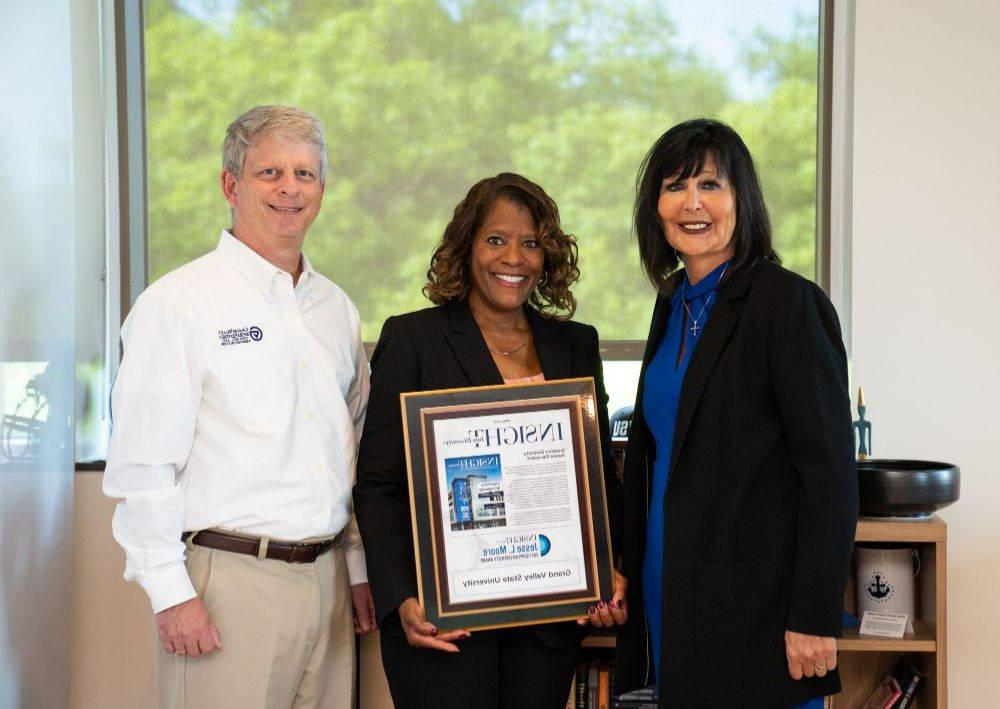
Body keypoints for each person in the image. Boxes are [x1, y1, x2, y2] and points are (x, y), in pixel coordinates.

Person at [103, 105, 377, 709]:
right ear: (231, 185)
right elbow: (143, 463)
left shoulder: (337, 309)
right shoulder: (177, 304)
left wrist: (356, 568)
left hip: (328, 581)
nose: (289, 188)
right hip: (228, 582)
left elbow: (352, 447)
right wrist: (170, 592)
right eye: (269, 172)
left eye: (305, 174)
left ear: (322, 190)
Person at [354, 173, 626, 708]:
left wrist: (607, 569)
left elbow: (595, 479)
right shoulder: (414, 339)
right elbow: (379, 484)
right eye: (496, 240)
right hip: (443, 623)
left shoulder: (574, 344)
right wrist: (402, 599)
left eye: (531, 243)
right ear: (467, 247)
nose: (515, 258)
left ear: (548, 256)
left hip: (548, 625)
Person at [614, 119, 858, 708]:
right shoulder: (672, 303)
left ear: (742, 200)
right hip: (670, 587)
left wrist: (814, 615)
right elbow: (658, 456)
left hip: (760, 608)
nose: (692, 204)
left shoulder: (788, 304)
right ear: (655, 208)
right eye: (674, 187)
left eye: (710, 185)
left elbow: (829, 476)